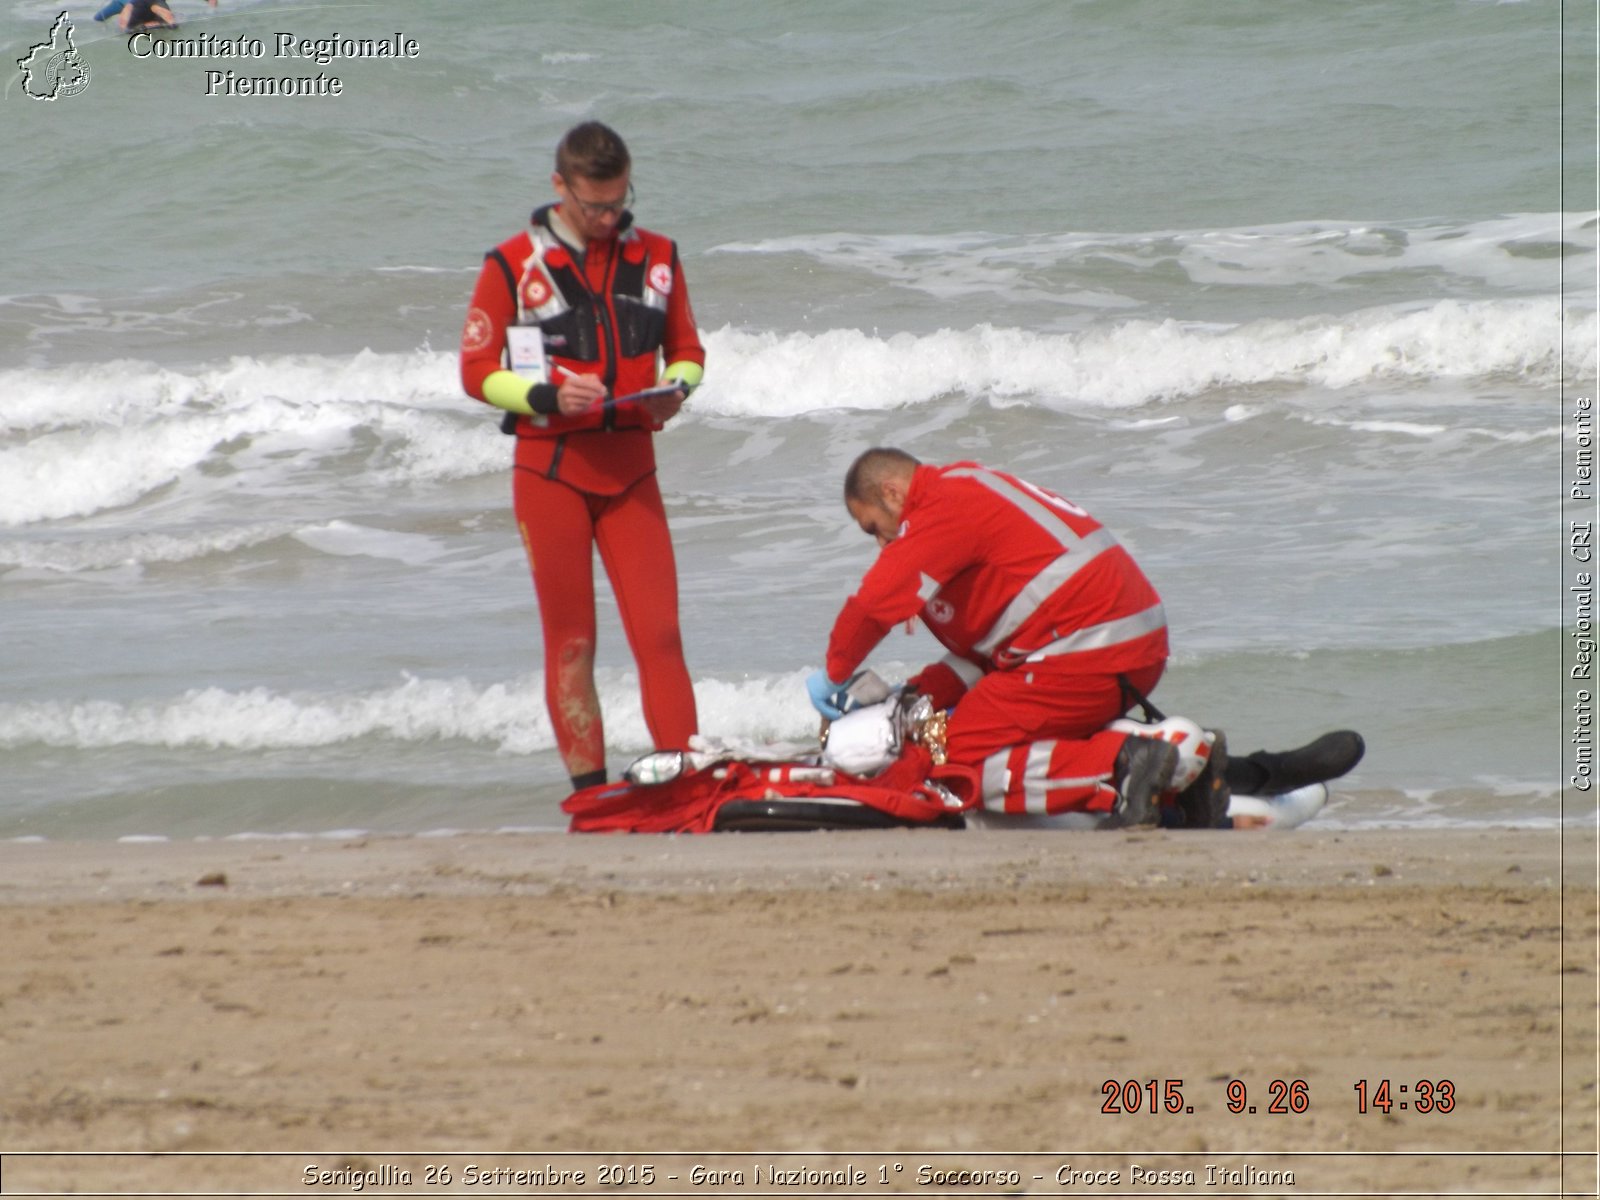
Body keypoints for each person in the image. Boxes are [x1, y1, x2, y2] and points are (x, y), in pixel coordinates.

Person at [460, 122, 704, 791]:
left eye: (619, 202)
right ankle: (591, 795)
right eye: (594, 205)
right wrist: (545, 393)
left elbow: (688, 350)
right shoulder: (510, 264)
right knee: (573, 644)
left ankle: (684, 783)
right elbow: (475, 371)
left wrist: (677, 389)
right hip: (550, 475)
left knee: (660, 638)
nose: (608, 217)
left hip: (632, 474)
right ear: (559, 186)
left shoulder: (658, 255)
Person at [807, 448, 1195, 827]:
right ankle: (1177, 778)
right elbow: (991, 649)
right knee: (967, 733)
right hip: (1129, 647)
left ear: (891, 492)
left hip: (1087, 653)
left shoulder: (938, 510)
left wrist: (834, 672)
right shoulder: (969, 485)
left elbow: (872, 608)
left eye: (874, 527)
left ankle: (1118, 766)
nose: (880, 542)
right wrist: (916, 694)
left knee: (942, 761)